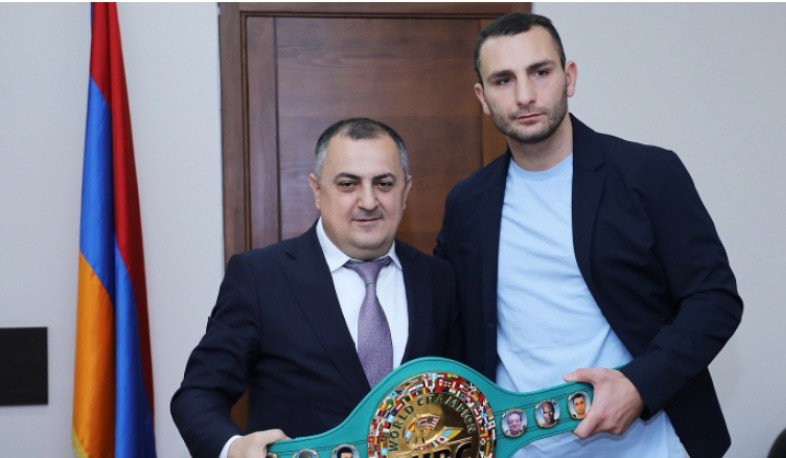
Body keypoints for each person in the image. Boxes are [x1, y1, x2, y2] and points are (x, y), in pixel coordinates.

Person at [435, 12, 742, 458]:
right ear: (482, 97)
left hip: (649, 445)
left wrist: (639, 386)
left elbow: (715, 300)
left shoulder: (649, 174)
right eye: (503, 80)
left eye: (540, 72)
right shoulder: (466, 204)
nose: (525, 95)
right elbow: (450, 328)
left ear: (570, 77)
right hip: (521, 450)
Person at [173, 118, 460, 458]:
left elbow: (460, 398)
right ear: (317, 191)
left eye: (383, 184)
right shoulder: (260, 277)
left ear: (406, 191)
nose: (368, 201)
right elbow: (198, 394)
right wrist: (233, 449)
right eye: (348, 184)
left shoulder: (438, 280)